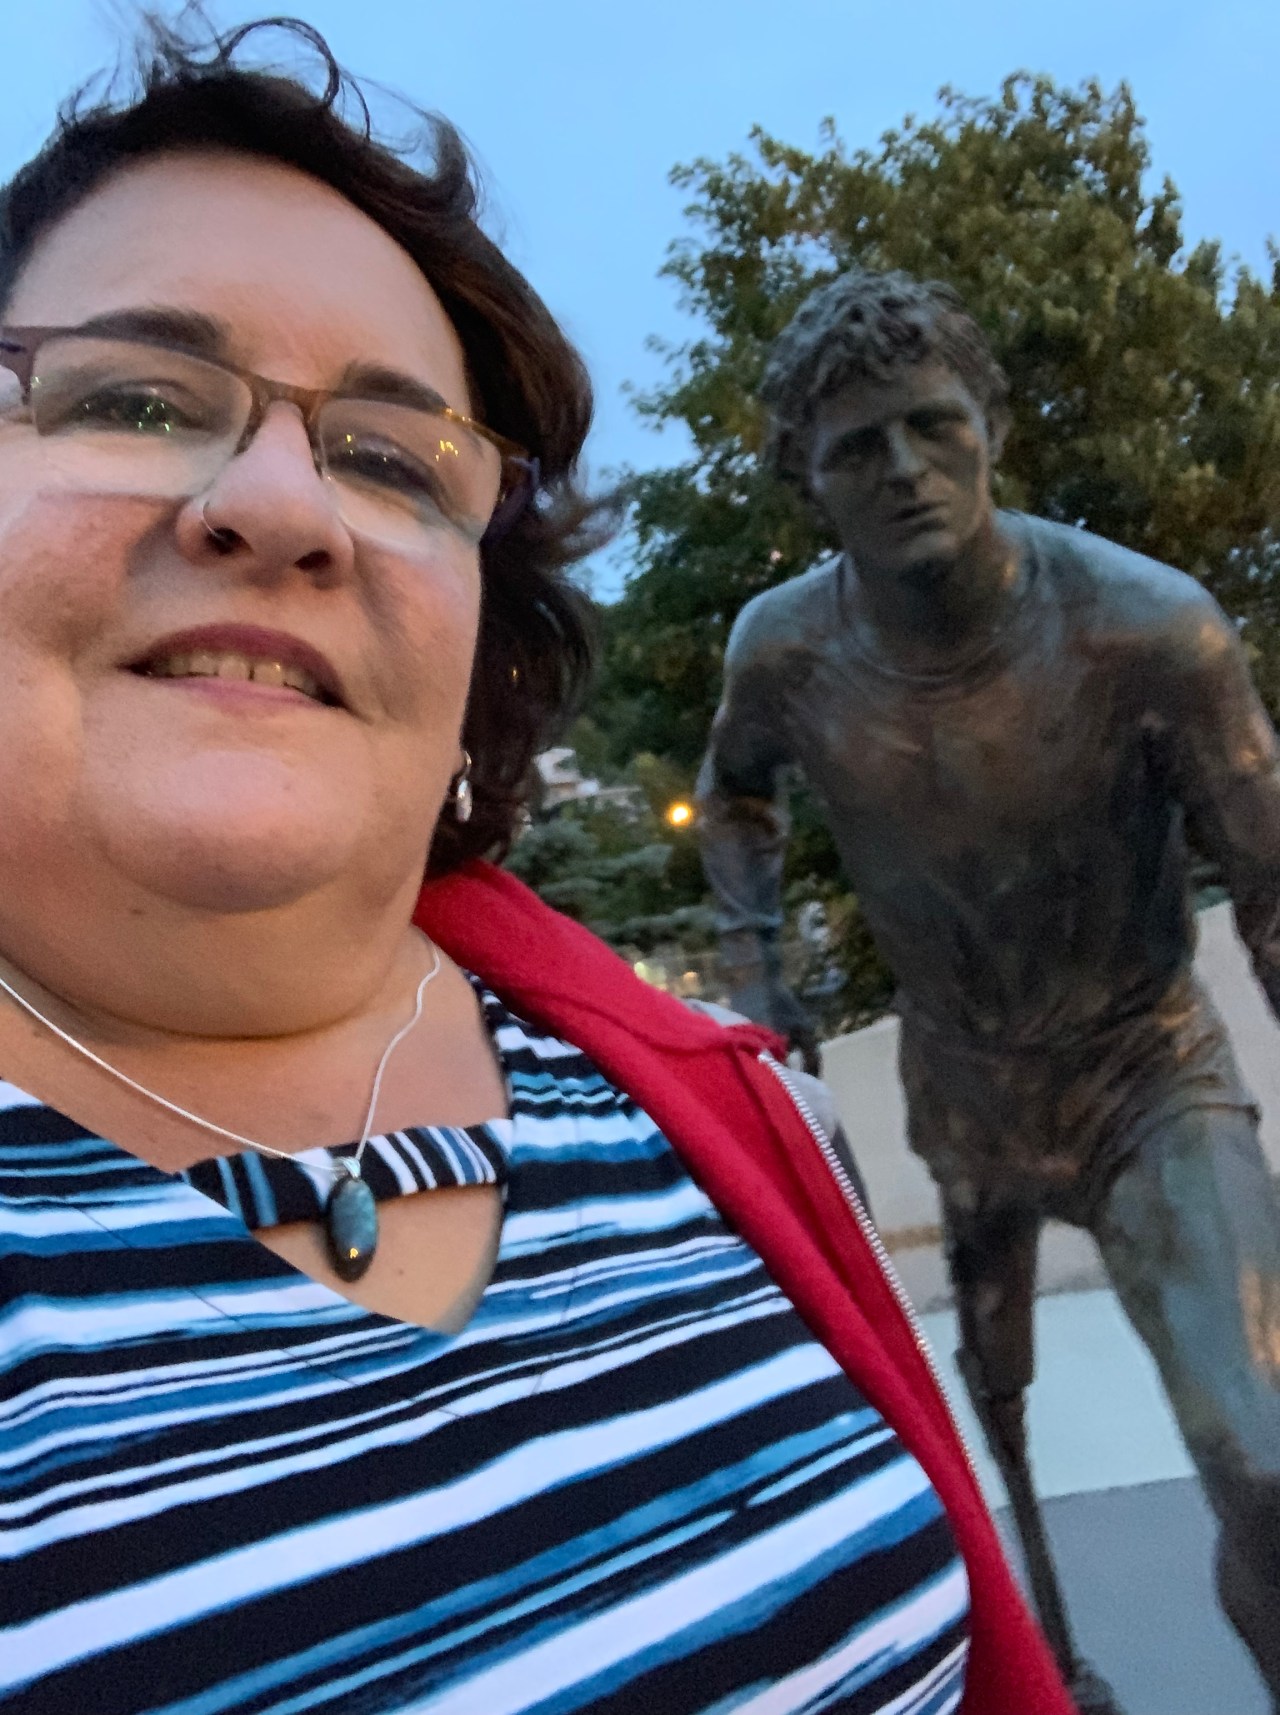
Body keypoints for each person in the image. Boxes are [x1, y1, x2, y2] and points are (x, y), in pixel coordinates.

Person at [0, 20, 1072, 1715]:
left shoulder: (726, 1124)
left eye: (389, 454)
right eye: (132, 397)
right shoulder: (787, 660)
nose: (285, 506)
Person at [696, 266, 1280, 1709]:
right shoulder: (785, 650)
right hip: (963, 1089)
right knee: (989, 1419)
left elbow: (1269, 879)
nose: (905, 470)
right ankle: (1054, 1669)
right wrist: (762, 982)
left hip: (1150, 1073)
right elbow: (736, 796)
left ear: (991, 427)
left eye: (933, 425)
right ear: (806, 480)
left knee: (1267, 1463)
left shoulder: (1151, 629)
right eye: (857, 449)